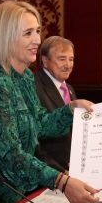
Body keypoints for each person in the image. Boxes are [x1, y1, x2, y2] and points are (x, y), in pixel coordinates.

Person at [0, 0, 99, 203]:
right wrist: (61, 182)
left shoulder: (24, 78)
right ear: (7, 37)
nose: (37, 40)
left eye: (37, 31)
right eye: (27, 33)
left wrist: (70, 109)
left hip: (16, 198)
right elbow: (11, 155)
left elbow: (40, 124)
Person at [34, 36, 77, 171]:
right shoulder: (33, 85)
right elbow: (35, 138)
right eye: (62, 59)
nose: (68, 65)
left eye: (71, 59)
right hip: (50, 172)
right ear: (45, 61)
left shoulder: (69, 88)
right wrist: (56, 171)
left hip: (71, 168)